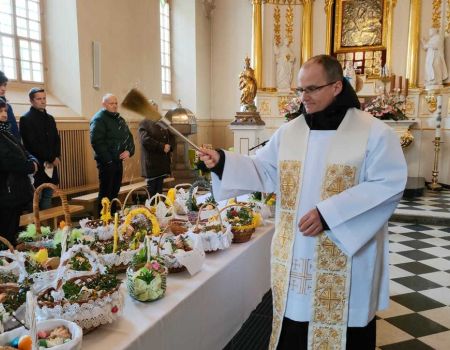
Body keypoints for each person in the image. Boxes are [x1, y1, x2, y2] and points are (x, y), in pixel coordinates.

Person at [199, 55, 407, 349]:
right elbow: (264, 170)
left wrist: (328, 215)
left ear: (336, 86)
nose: (303, 97)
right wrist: (222, 162)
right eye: (300, 90)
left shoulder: (374, 133)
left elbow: (388, 184)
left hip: (346, 252)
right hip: (297, 253)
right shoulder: (290, 132)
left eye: (311, 89)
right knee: (294, 323)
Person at [90, 93, 135, 214]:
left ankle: (114, 218)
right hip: (106, 162)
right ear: (104, 104)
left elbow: (129, 137)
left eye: (116, 103)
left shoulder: (119, 119)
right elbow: (97, 142)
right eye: (111, 103)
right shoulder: (99, 119)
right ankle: (103, 220)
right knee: (106, 192)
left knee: (115, 191)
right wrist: (109, 160)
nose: (115, 106)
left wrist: (129, 151)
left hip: (118, 161)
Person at [0, 100, 38, 244]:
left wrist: (32, 160)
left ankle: (11, 258)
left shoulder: (5, 131)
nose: (4, 115)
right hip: (5, 191)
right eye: (0, 112)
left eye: (5, 111)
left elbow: (21, 150)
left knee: (12, 228)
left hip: (13, 190)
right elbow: (8, 161)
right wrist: (30, 166)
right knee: (6, 230)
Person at [20, 88, 61, 210]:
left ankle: (46, 227)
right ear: (31, 101)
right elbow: (32, 144)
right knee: (37, 196)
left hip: (52, 163)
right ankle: (39, 227)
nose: (42, 101)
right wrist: (51, 157)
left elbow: (56, 139)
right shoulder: (26, 119)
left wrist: (57, 156)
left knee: (48, 195)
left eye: (44, 98)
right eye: (39, 99)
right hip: (38, 164)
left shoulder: (50, 118)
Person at [138, 109, 175, 198]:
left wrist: (169, 146)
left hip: (162, 163)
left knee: (159, 192)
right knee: (152, 193)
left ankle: (159, 209)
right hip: (151, 163)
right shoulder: (144, 123)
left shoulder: (161, 122)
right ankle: (152, 210)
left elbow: (171, 135)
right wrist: (162, 146)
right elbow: (145, 140)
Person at [0, 70, 20, 139]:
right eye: (0, 85)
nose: (3, 88)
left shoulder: (8, 107)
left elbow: (14, 130)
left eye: (4, 85)